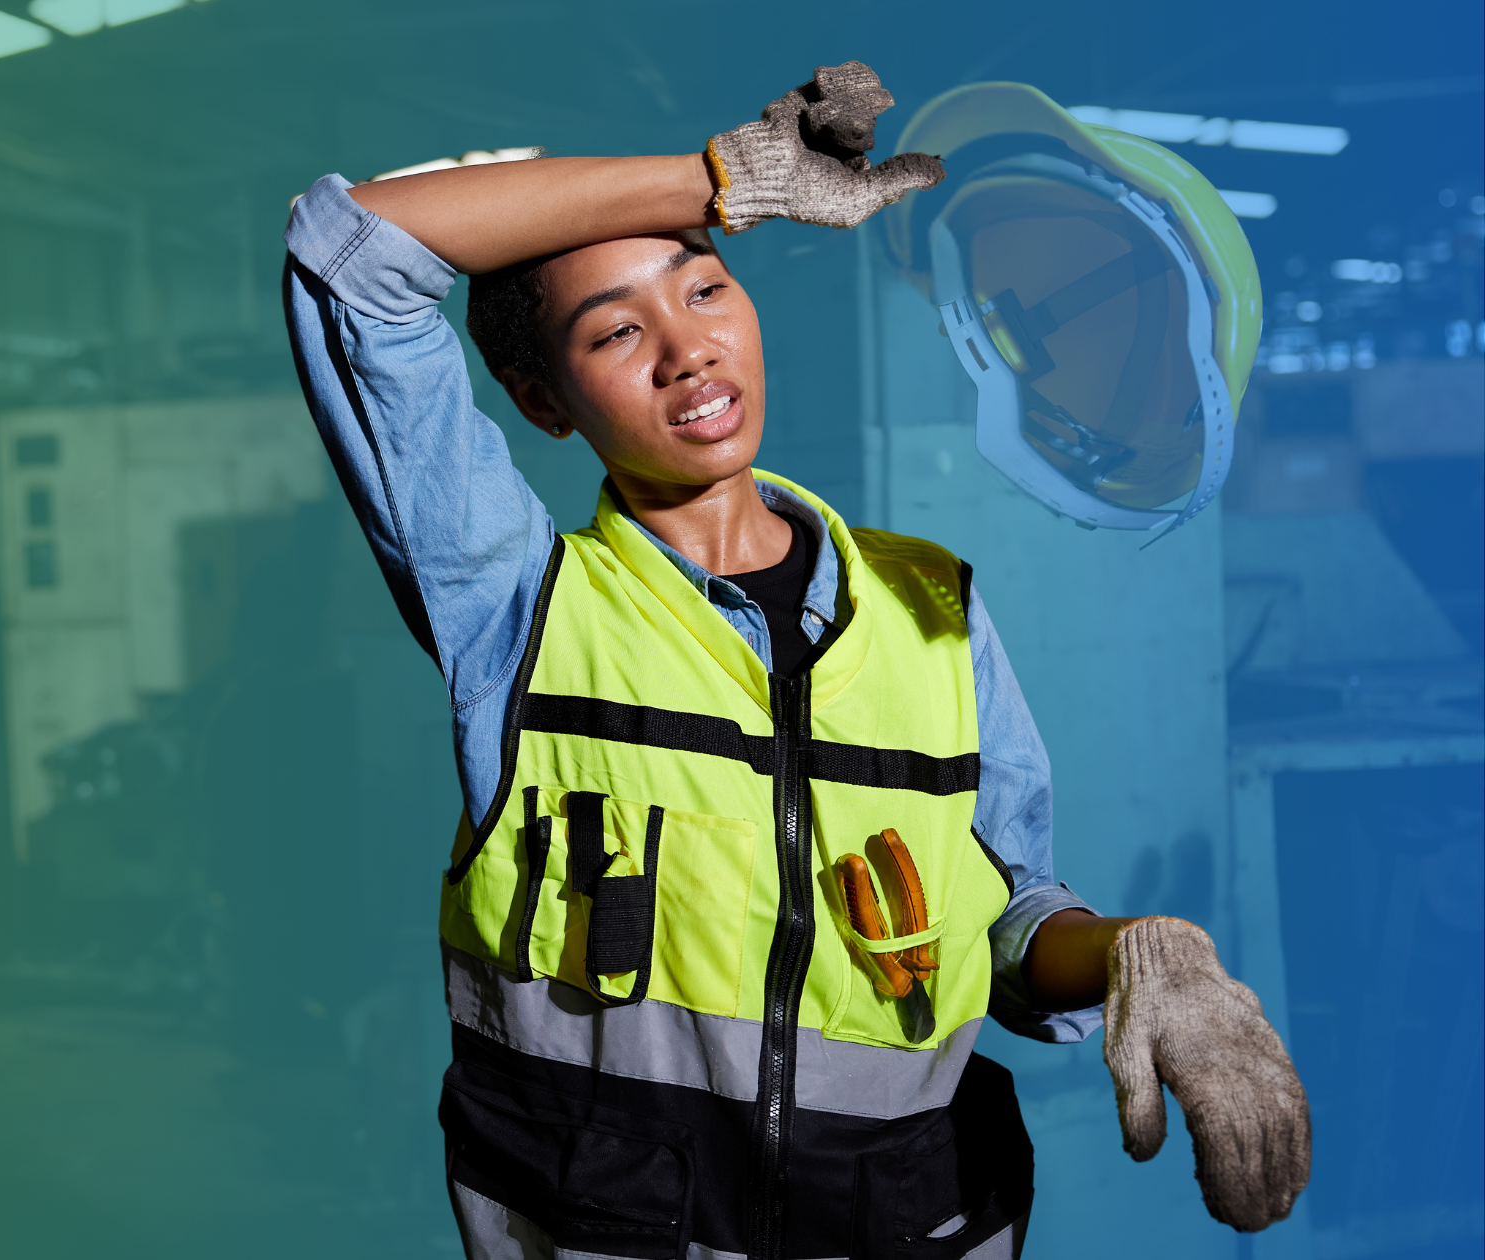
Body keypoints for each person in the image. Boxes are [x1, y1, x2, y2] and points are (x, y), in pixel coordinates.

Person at [281, 62, 1308, 1260]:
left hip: (915, 1228)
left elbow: (1005, 924)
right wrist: (711, 183)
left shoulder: (931, 608)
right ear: (539, 400)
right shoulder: (514, 606)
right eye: (616, 331)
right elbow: (349, 251)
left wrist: (1141, 952)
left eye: (704, 289)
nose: (686, 352)